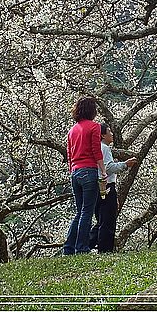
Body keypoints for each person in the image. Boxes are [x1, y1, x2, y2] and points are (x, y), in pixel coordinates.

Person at [63, 97, 108, 255]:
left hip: (75, 172)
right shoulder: (94, 127)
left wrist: (72, 170)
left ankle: (68, 248)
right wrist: (103, 170)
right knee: (87, 211)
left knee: (79, 211)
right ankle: (82, 247)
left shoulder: (72, 130)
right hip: (89, 170)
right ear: (92, 110)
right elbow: (96, 150)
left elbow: (69, 154)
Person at [89, 123, 137, 253]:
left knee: (101, 220)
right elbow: (109, 168)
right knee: (108, 221)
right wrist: (125, 164)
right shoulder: (104, 148)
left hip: (97, 187)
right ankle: (105, 250)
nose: (112, 134)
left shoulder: (96, 148)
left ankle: (87, 245)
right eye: (109, 131)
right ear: (103, 135)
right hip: (106, 185)